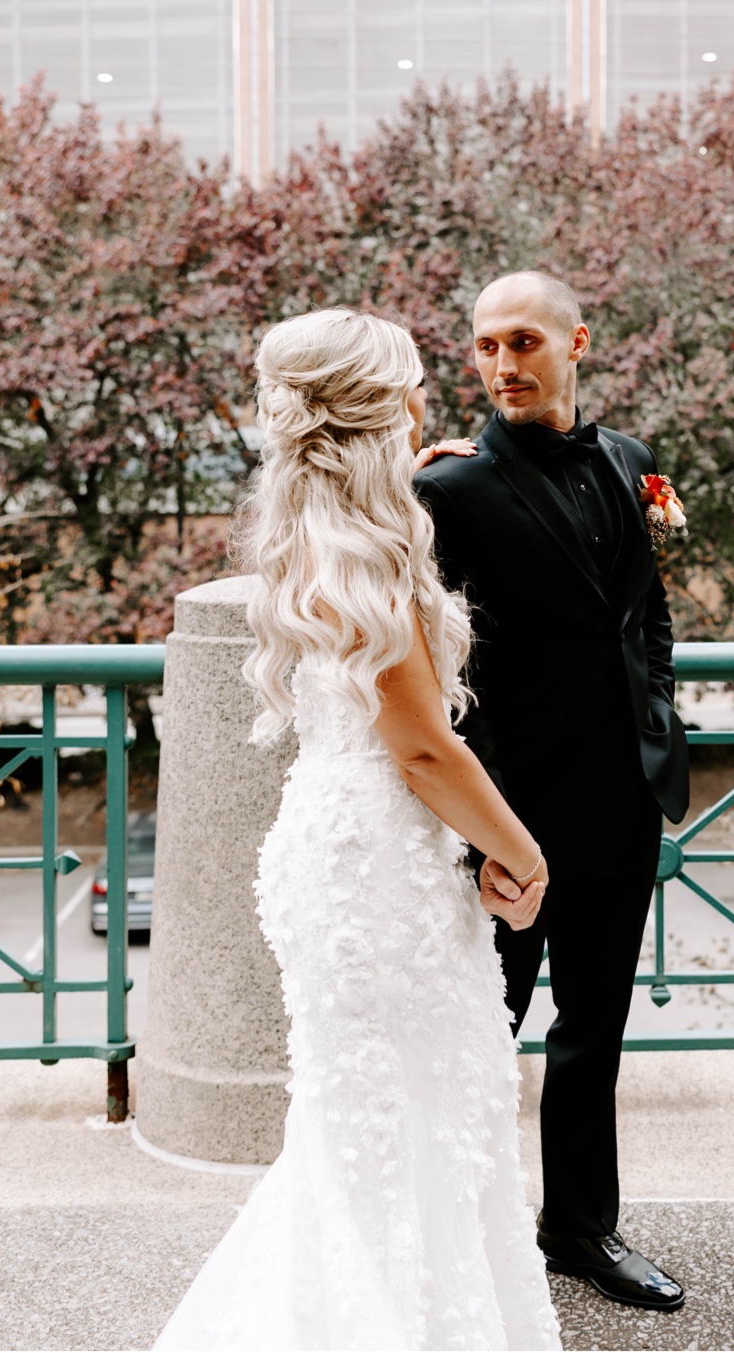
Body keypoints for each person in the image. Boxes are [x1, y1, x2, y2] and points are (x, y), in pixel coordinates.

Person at [155, 308, 561, 1349]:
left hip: (337, 841)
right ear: (376, 414)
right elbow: (425, 749)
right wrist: (521, 852)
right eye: (412, 387)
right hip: (377, 864)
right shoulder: (372, 557)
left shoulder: (311, 530)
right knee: (419, 1124)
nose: (430, 401)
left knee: (367, 1133)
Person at [411, 271, 691, 1312]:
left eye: (522, 341)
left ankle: (579, 1229)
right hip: (507, 815)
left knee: (595, 1030)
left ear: (576, 341)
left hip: (622, 801)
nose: (500, 364)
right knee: (486, 1026)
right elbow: (417, 664)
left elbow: (642, 614)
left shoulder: (630, 461)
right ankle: (458, 1231)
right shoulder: (445, 490)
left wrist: (658, 716)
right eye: (484, 346)